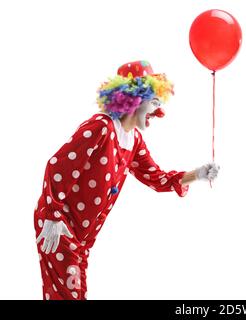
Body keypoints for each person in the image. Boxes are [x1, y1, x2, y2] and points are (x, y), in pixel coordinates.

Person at [34, 60, 220, 300]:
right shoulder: (101, 127)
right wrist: (52, 213)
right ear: (133, 99)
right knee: (68, 295)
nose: (158, 110)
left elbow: (157, 178)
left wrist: (197, 174)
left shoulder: (133, 141)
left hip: (83, 232)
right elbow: (57, 165)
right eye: (154, 102)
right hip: (60, 223)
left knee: (74, 292)